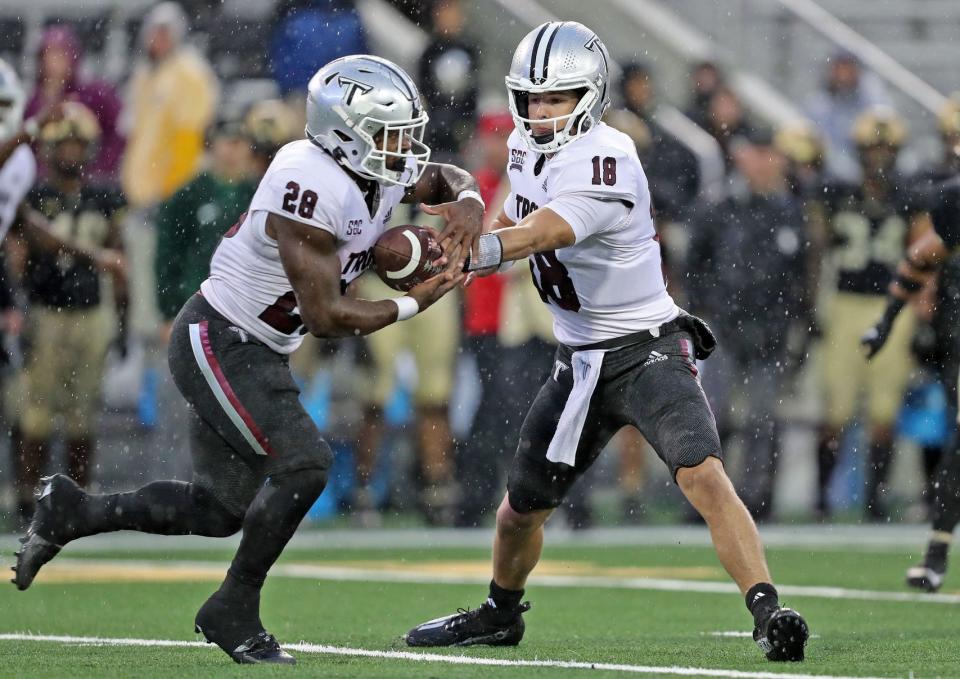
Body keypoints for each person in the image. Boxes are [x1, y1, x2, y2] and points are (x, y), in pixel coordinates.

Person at [12, 54, 483, 666]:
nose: (405, 149)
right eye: (392, 134)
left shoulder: (373, 166)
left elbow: (439, 178)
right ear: (344, 131)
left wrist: (469, 199)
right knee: (307, 464)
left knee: (217, 510)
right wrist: (415, 301)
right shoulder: (310, 181)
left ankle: (74, 511)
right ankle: (233, 605)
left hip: (256, 347)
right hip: (221, 338)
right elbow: (326, 317)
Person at [404, 22, 808, 662]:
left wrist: (470, 246)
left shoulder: (609, 153)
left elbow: (549, 230)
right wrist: (463, 259)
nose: (539, 111)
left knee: (703, 473)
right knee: (517, 513)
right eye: (532, 98)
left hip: (646, 348)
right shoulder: (522, 145)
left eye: (555, 99)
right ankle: (500, 613)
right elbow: (515, 217)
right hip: (578, 360)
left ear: (587, 97)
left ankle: (768, 610)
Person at [687, 130, 809, 520]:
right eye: (758, 155)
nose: (765, 164)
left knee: (762, 418)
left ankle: (758, 500)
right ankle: (705, 498)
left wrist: (793, 319)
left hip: (770, 328)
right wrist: (705, 311)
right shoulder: (720, 207)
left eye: (770, 156)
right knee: (713, 415)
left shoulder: (789, 211)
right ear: (743, 159)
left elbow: (801, 275)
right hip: (723, 327)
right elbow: (696, 263)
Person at [815, 106, 925, 521]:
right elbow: (817, 247)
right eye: (872, 149)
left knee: (884, 411)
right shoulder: (836, 193)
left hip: (890, 303)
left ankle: (875, 500)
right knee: (836, 409)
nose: (879, 157)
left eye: (886, 149)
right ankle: (822, 498)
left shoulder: (909, 197)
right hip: (845, 302)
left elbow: (920, 253)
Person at [17, 102, 126, 507]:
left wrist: (123, 320)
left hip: (91, 312)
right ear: (48, 150)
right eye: (63, 145)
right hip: (46, 311)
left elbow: (120, 259)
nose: (71, 153)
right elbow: (31, 243)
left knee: (83, 412)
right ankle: (30, 499)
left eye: (78, 145)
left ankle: (77, 500)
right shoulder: (33, 194)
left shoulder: (105, 197)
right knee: (38, 412)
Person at [155, 120, 257, 338]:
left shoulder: (260, 193)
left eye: (240, 143)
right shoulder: (188, 195)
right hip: (196, 303)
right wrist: (169, 311)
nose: (233, 150)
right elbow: (168, 255)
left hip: (249, 309)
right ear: (212, 146)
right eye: (228, 142)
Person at [25, 25, 125, 182]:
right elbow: (28, 144)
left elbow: (117, 133)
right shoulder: (34, 101)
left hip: (86, 181)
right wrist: (39, 176)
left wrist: (99, 170)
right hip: (47, 184)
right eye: (49, 54)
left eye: (60, 54)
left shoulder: (93, 94)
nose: (53, 62)